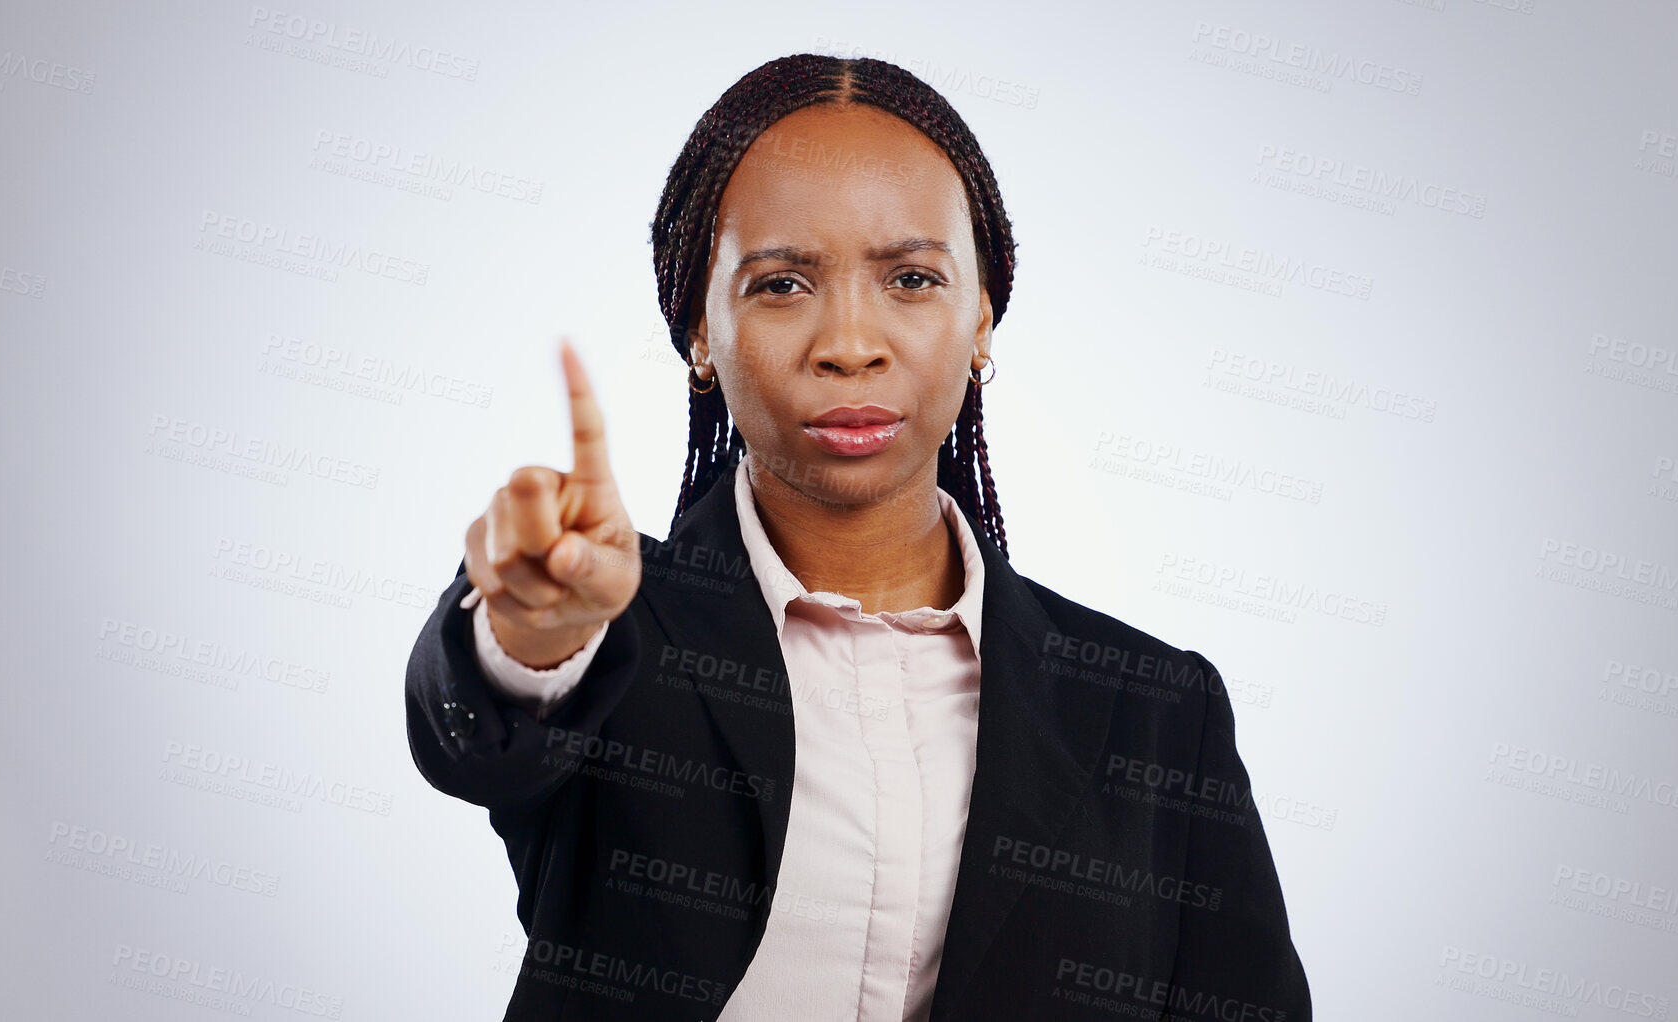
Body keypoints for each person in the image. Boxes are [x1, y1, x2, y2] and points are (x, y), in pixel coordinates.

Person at [405, 53, 1310, 1022]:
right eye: (783, 283)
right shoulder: (612, 633)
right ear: (699, 330)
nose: (849, 341)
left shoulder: (1157, 712)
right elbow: (485, 726)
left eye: (912, 278)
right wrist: (532, 632)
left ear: (981, 316)